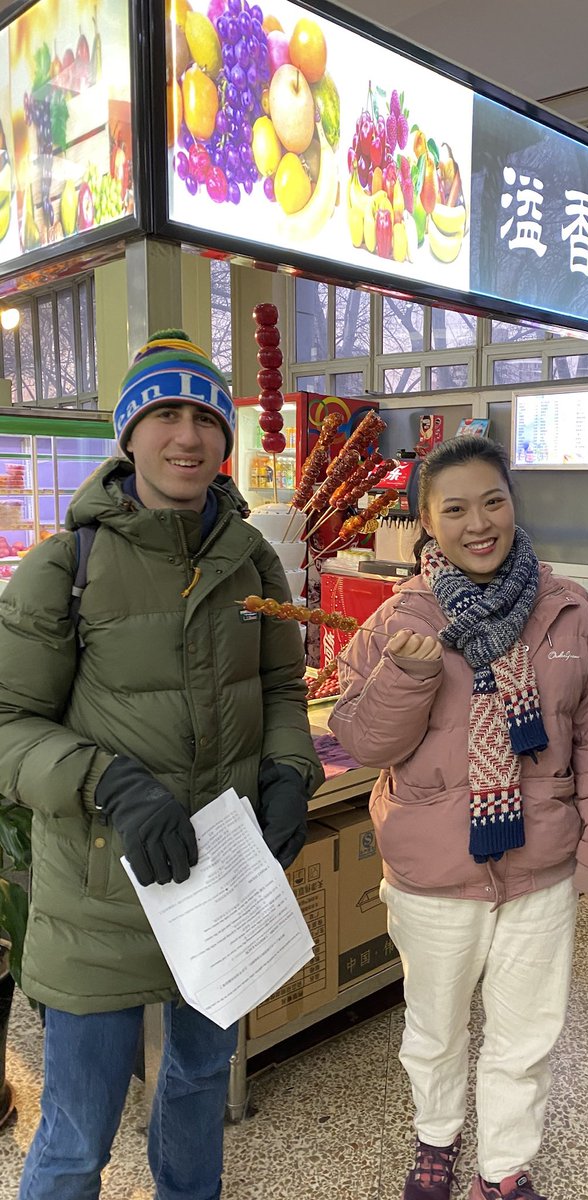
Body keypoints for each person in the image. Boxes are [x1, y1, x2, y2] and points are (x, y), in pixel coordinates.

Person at [0, 330, 323, 1200]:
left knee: (194, 1092)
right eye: (165, 413)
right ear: (130, 435)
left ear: (226, 439)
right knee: (76, 1132)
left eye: (205, 417)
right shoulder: (65, 565)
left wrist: (290, 770)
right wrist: (110, 782)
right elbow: (7, 723)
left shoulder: (252, 561)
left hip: (219, 889)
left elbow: (285, 690)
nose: (187, 436)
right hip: (98, 899)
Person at [329, 436, 588, 1200]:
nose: (478, 523)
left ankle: (504, 1168)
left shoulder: (569, 613)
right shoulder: (403, 618)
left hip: (541, 867)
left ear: (512, 503)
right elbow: (362, 739)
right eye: (454, 508)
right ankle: (436, 1138)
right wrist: (408, 674)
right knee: (434, 1028)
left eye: (492, 500)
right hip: (432, 867)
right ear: (427, 522)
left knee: (526, 1033)